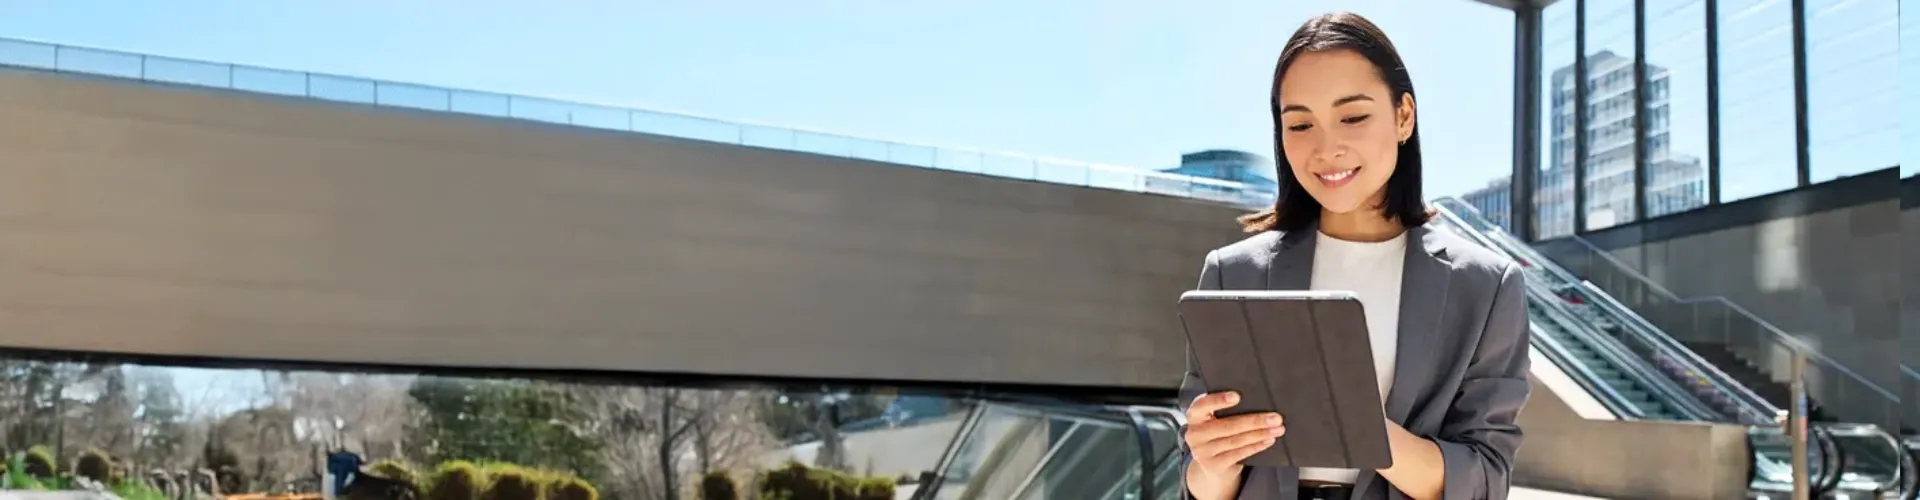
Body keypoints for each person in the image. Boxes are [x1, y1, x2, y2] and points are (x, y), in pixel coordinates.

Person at [1178, 11, 1531, 500]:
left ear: (1403, 116)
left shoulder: (1486, 287)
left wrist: (1354, 424)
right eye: (1300, 124)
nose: (1326, 148)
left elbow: (1486, 477)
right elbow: (1200, 481)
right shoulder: (1232, 273)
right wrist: (1211, 463)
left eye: (1353, 117)